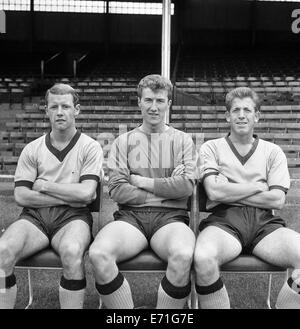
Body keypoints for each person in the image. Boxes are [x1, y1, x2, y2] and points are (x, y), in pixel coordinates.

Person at [89, 74, 197, 309]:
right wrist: (167, 187)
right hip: (130, 218)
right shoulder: (122, 142)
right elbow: (117, 190)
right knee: (98, 253)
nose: (154, 107)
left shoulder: (183, 141)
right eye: (148, 100)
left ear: (169, 103)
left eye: (160, 100)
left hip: (171, 219)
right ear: (139, 102)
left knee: (183, 254)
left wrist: (139, 181)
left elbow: (186, 187)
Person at [194, 86, 300, 309]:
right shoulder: (211, 148)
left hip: (265, 224)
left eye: (247, 110)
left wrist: (230, 190)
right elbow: (214, 192)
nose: (241, 115)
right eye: (235, 110)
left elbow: (277, 201)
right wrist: (258, 186)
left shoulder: (273, 152)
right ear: (227, 115)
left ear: (257, 116)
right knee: (203, 257)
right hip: (224, 221)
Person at [0, 83, 103, 309]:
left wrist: (46, 186)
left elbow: (87, 193)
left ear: (76, 109)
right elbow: (22, 196)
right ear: (45, 110)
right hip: (34, 218)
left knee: (72, 251)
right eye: (53, 106)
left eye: (65, 106)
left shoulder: (90, 147)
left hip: (74, 217)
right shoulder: (32, 148)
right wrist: (70, 194)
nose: (59, 112)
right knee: (2, 252)